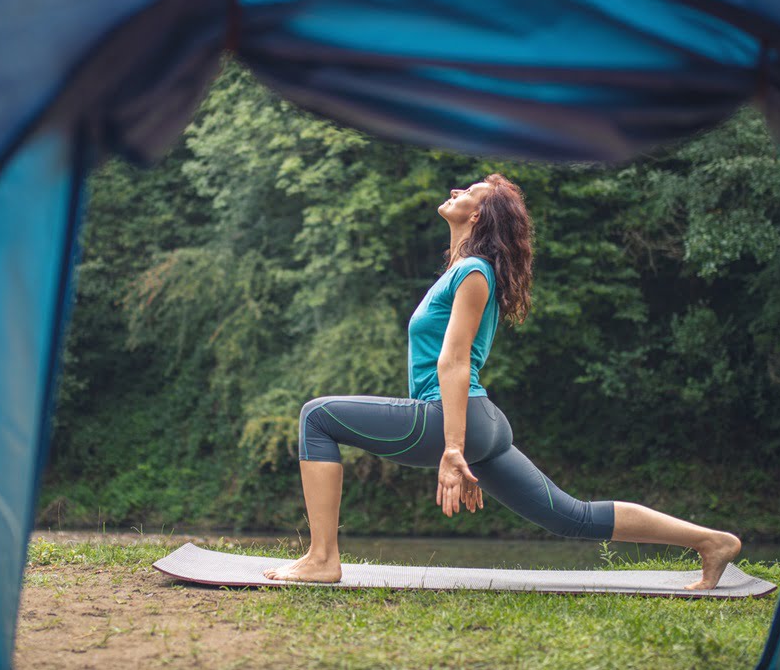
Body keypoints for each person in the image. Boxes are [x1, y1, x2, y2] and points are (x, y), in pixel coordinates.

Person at [263, 174, 741, 590]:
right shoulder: (462, 270)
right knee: (570, 516)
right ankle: (711, 541)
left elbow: (453, 362)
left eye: (470, 192)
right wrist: (465, 446)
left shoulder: (473, 271)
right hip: (481, 422)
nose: (456, 191)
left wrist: (453, 448)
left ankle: (323, 560)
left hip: (457, 416)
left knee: (317, 416)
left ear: (479, 218)